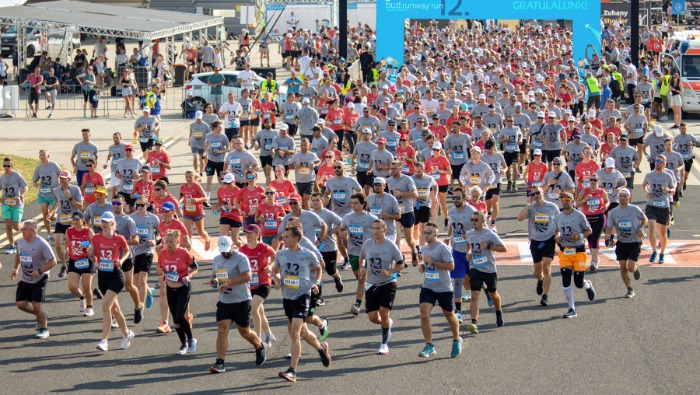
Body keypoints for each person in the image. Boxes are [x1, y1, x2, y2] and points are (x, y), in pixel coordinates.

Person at [273, 226, 332, 382]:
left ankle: (292, 370)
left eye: (286, 237)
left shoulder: (307, 254)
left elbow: (319, 268)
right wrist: (277, 280)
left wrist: (317, 283)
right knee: (303, 333)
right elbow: (274, 269)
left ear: (296, 239)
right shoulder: (280, 254)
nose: (283, 239)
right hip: (288, 297)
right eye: (283, 236)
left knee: (294, 333)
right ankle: (321, 348)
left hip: (302, 296)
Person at [209, 235, 267, 373]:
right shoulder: (217, 259)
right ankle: (220, 362)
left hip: (241, 301)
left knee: (244, 332)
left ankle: (259, 346)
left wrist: (229, 282)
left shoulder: (241, 258)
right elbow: (214, 276)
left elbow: (247, 276)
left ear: (232, 247)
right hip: (224, 301)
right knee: (222, 329)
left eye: (227, 250)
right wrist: (214, 281)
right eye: (222, 250)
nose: (224, 253)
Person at [89, 212, 135, 351]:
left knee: (105, 306)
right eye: (102, 221)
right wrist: (90, 253)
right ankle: (127, 333)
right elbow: (94, 259)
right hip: (103, 275)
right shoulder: (96, 238)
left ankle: (104, 340)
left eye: (107, 222)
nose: (104, 224)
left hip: (116, 275)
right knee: (114, 309)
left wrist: (121, 260)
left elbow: (127, 251)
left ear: (112, 224)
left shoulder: (119, 238)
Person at [358, 219, 404, 355]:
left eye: (378, 228)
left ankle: (384, 344)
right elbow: (362, 257)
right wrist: (362, 267)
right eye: (373, 228)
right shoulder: (367, 244)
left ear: (385, 230)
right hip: (371, 283)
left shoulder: (390, 246)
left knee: (384, 311)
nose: (375, 231)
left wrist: (390, 271)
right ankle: (387, 323)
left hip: (388, 283)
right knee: (373, 317)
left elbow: (401, 264)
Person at [417, 222, 462, 358]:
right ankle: (429, 345)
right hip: (428, 286)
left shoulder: (442, 248)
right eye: (424, 232)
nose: (425, 234)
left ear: (436, 234)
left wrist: (434, 262)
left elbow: (451, 266)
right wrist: (423, 267)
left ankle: (456, 339)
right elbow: (425, 265)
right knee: (424, 315)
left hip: (444, 288)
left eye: (429, 232)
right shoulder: (423, 249)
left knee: (449, 315)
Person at [553, 192, 596, 319]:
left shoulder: (579, 215)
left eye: (567, 199)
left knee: (578, 283)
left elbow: (589, 230)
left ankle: (587, 284)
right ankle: (572, 308)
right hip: (565, 251)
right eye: (563, 199)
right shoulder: (558, 217)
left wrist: (580, 236)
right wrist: (557, 238)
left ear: (572, 201)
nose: (565, 201)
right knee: (565, 280)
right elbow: (555, 231)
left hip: (579, 251)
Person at [11, 220, 56, 339]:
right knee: (20, 304)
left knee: (36, 304)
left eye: (25, 229)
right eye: (22, 229)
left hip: (40, 277)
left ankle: (44, 329)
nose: (22, 231)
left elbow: (53, 261)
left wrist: (40, 271)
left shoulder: (41, 243)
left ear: (33, 231)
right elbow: (18, 256)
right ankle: (42, 315)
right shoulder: (20, 242)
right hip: (25, 278)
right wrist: (15, 269)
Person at [157, 229, 199, 355]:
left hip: (183, 288)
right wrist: (159, 272)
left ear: (178, 241)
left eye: (171, 242)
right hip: (170, 288)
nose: (168, 244)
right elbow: (159, 268)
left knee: (180, 315)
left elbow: (195, 268)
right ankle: (183, 344)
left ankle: (191, 339)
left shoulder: (184, 253)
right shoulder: (163, 254)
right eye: (166, 241)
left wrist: (189, 276)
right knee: (175, 320)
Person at [464, 211, 506, 334]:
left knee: (493, 293)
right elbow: (468, 243)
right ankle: (474, 322)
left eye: (476, 220)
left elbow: (504, 248)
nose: (473, 222)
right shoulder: (469, 233)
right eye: (472, 220)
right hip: (475, 267)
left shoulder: (490, 234)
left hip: (489, 269)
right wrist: (468, 252)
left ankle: (498, 311)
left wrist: (489, 247)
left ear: (483, 221)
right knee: (475, 295)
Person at [517, 185, 560, 306]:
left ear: (543, 193)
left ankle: (545, 295)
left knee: (546, 267)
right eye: (533, 194)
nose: (536, 196)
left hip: (548, 240)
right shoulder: (531, 208)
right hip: (535, 241)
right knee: (537, 272)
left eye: (538, 193)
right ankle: (540, 280)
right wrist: (527, 205)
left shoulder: (553, 207)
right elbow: (519, 218)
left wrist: (558, 235)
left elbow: (559, 222)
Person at [155, 201, 191, 334]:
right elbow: (161, 239)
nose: (163, 213)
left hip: (178, 261)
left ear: (172, 211)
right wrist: (160, 245)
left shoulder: (179, 224)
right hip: (165, 259)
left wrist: (175, 243)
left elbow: (188, 243)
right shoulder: (161, 225)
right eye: (162, 211)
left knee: (182, 289)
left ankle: (186, 317)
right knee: (163, 290)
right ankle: (165, 322)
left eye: (166, 211)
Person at [340, 193, 378, 315]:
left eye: (356, 203)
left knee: (362, 279)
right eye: (352, 203)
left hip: (367, 253)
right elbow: (342, 228)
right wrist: (343, 234)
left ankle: (358, 303)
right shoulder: (347, 217)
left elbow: (380, 230)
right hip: (353, 252)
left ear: (363, 204)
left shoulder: (371, 218)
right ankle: (372, 296)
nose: (353, 205)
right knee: (360, 278)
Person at [605, 188, 647, 298]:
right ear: (618, 197)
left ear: (629, 197)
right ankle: (629, 289)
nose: (622, 198)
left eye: (625, 196)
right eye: (621, 196)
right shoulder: (614, 212)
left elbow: (645, 219)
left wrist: (641, 228)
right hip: (621, 242)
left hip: (634, 242)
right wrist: (608, 236)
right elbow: (610, 226)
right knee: (623, 267)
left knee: (630, 268)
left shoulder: (635, 209)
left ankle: (635, 268)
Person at [642, 155, 676, 264]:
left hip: (664, 206)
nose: (658, 163)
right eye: (656, 161)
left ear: (664, 164)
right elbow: (644, 184)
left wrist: (668, 190)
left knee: (662, 233)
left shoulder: (668, 176)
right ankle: (654, 251)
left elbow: (673, 190)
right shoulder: (649, 175)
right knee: (651, 228)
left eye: (660, 162)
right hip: (651, 206)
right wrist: (647, 192)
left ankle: (662, 253)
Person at [130, 196, 160, 314]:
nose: (140, 208)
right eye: (138, 205)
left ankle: (140, 307)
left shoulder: (153, 218)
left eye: (142, 205)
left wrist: (156, 240)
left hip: (147, 251)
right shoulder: (131, 218)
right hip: (135, 251)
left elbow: (160, 232)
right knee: (136, 282)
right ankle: (149, 291)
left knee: (142, 280)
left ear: (147, 205)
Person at [310, 192, 345, 291]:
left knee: (331, 271)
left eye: (317, 200)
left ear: (322, 201)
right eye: (313, 200)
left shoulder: (327, 213)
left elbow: (341, 223)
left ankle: (337, 278)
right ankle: (318, 295)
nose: (315, 202)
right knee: (316, 270)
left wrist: (330, 232)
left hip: (328, 247)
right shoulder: (309, 213)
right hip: (315, 248)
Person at [52, 171, 83, 277]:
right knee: (57, 244)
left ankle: (72, 263)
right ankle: (64, 265)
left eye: (64, 178)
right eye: (60, 178)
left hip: (73, 221)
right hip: (61, 220)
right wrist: (52, 212)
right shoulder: (56, 190)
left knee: (71, 245)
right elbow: (58, 202)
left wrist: (70, 197)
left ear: (69, 179)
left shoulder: (75, 189)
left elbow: (80, 207)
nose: (62, 180)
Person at [65, 212, 96, 317]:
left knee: (86, 286)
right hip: (74, 261)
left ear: (83, 220)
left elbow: (95, 244)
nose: (75, 222)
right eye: (73, 220)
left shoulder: (88, 231)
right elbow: (68, 244)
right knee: (72, 287)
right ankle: (82, 298)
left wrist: (90, 249)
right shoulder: (69, 231)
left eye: (77, 220)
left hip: (87, 260)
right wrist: (66, 251)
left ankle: (89, 307)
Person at [575, 173, 609, 271]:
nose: (593, 182)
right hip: (587, 218)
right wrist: (585, 199)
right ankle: (595, 258)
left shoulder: (601, 191)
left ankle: (594, 260)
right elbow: (577, 203)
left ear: (598, 182)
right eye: (591, 180)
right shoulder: (584, 191)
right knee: (589, 240)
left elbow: (607, 201)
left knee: (595, 238)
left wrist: (606, 205)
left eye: (595, 180)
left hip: (599, 217)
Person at [32, 149, 62, 243]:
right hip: (42, 194)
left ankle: (59, 216)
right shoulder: (39, 167)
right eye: (40, 155)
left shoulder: (54, 165)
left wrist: (60, 186)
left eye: (43, 155)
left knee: (52, 216)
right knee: (45, 215)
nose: (42, 157)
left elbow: (62, 175)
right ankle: (49, 234)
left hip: (53, 195)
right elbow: (34, 180)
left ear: (48, 156)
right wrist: (35, 184)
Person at [180, 171, 212, 250]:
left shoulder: (197, 186)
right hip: (187, 212)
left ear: (194, 177)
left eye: (190, 177)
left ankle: (207, 239)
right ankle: (188, 252)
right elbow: (181, 196)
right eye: (187, 177)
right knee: (188, 233)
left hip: (198, 212)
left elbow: (206, 198)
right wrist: (179, 202)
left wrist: (197, 200)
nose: (188, 179)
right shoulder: (183, 187)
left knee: (200, 233)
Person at [189, 111, 211, 176]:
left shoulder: (205, 125)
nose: (198, 120)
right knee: (195, 158)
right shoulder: (192, 125)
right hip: (194, 144)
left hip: (202, 145)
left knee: (201, 160)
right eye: (197, 119)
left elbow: (209, 134)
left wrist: (208, 143)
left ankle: (201, 172)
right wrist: (189, 140)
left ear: (202, 117)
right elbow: (191, 132)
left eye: (199, 119)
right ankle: (195, 172)